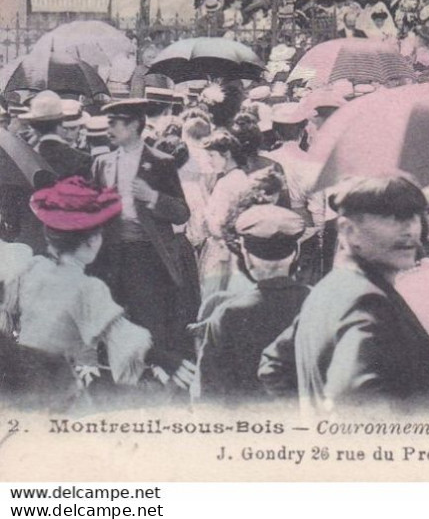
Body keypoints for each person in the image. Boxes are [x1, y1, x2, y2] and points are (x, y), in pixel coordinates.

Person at [259, 176, 429, 413]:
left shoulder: (331, 286)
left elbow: (273, 366)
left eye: (412, 216)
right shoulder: (366, 302)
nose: (408, 230)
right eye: (392, 218)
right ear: (349, 231)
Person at [4, 177, 151, 407]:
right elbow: (129, 343)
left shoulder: (31, 268)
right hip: (62, 384)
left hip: (23, 376)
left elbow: (9, 316)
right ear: (92, 240)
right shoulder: (88, 287)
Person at [91, 99, 195, 389]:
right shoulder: (101, 162)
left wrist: (153, 197)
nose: (108, 128)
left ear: (135, 124)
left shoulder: (160, 163)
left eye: (116, 122)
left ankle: (155, 374)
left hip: (146, 254)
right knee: (113, 313)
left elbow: (182, 212)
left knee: (148, 315)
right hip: (110, 253)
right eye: (108, 123)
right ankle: (118, 373)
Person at [194, 204, 309, 403]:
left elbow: (207, 395)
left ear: (246, 256)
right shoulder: (319, 303)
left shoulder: (228, 314)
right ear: (296, 253)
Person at [19, 91, 91, 180]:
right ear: (60, 123)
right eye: (65, 128)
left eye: (72, 128)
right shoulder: (83, 160)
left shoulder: (24, 158)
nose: (68, 133)